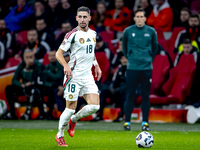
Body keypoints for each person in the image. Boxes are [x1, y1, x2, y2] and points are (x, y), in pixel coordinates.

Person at [55, 6, 101, 147]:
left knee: (95, 106)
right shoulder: (71, 35)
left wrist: (96, 64)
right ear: (76, 18)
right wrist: (66, 66)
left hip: (87, 76)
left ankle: (74, 119)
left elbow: (90, 51)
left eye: (84, 17)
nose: (82, 19)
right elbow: (58, 54)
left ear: (89, 18)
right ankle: (60, 135)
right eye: (79, 17)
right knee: (69, 108)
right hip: (73, 76)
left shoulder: (93, 34)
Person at [122, 9, 158, 131]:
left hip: (146, 68)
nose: (139, 18)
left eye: (141, 16)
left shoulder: (151, 31)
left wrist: (147, 59)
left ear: (145, 18)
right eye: (137, 16)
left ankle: (145, 123)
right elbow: (124, 48)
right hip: (132, 67)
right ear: (134, 18)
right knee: (130, 95)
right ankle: (127, 122)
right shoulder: (128, 31)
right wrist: (131, 58)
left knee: (145, 96)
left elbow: (155, 48)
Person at [4, 49, 47, 120]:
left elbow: (39, 80)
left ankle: (42, 114)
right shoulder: (21, 65)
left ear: (34, 57)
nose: (29, 59)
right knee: (9, 88)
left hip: (36, 87)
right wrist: (22, 84)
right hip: (24, 87)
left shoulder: (39, 65)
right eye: (27, 57)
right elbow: (14, 80)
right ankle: (12, 113)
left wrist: (28, 69)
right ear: (24, 58)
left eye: (31, 57)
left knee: (35, 89)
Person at [43, 49, 63, 119]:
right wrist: (50, 84)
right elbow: (44, 81)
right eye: (50, 56)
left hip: (58, 86)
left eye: (54, 55)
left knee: (51, 92)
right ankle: (44, 113)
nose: (52, 57)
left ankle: (52, 113)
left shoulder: (61, 66)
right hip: (50, 87)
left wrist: (48, 72)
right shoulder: (47, 67)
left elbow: (57, 77)